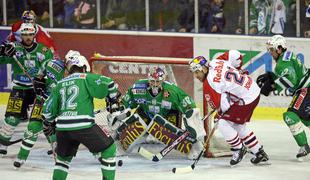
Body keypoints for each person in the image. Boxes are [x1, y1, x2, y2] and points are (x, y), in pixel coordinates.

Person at [42, 53, 119, 180]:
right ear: (84, 67)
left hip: (63, 128)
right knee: (109, 149)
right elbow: (110, 83)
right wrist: (113, 102)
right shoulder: (85, 77)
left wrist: (49, 123)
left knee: (62, 161)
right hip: (83, 126)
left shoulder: (59, 84)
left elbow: (47, 112)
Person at [189, 55, 269, 166]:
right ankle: (259, 152)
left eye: (197, 72)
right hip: (252, 89)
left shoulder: (210, 84)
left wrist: (220, 113)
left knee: (221, 122)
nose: (195, 76)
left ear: (203, 69)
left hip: (246, 98)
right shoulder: (216, 61)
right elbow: (236, 55)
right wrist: (238, 69)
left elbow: (223, 107)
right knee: (237, 125)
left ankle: (238, 149)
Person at [113, 67, 206, 159]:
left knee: (166, 130)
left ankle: (193, 147)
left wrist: (195, 130)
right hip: (146, 114)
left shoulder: (172, 91)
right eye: (152, 81)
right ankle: (120, 146)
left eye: (158, 81)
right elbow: (126, 103)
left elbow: (190, 108)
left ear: (163, 80)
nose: (155, 84)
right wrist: (118, 112)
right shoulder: (138, 87)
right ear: (148, 79)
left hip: (168, 115)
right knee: (136, 122)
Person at [0, 23, 53, 156]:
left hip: (38, 90)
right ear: (21, 35)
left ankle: (55, 145)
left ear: (34, 34)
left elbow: (50, 70)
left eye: (30, 34)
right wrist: (1, 53)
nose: (27, 37)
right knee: (11, 119)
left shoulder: (44, 51)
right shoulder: (14, 48)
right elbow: (1, 60)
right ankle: (3, 144)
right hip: (19, 87)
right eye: (24, 34)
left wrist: (43, 82)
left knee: (42, 120)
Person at [257, 35, 310, 160]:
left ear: (280, 49)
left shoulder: (282, 62)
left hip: (306, 89)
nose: (270, 52)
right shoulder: (288, 56)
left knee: (290, 116)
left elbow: (291, 80)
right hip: (307, 86)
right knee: (305, 116)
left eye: (272, 49)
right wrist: (273, 76)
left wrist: (272, 87)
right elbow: (292, 74)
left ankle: (304, 146)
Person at [13, 55, 66, 168]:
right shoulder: (50, 64)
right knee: (33, 126)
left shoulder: (78, 75)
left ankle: (59, 154)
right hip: (42, 100)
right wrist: (38, 83)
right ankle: (21, 156)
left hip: (60, 105)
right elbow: (39, 76)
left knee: (53, 130)